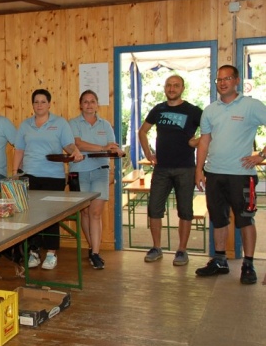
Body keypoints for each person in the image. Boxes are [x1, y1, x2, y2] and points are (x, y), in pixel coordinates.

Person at [195, 65, 266, 285]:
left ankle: (248, 264)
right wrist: (199, 170)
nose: (223, 83)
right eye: (219, 79)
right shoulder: (210, 110)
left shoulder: (251, 106)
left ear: (236, 81)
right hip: (214, 173)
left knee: (245, 219)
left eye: (227, 79)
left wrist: (261, 156)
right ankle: (220, 261)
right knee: (218, 218)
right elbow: (204, 141)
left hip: (241, 175)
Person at [13, 89, 83, 270]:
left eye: (43, 101)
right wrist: (15, 172)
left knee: (51, 215)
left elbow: (68, 145)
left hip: (54, 176)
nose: (39, 105)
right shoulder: (25, 125)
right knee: (32, 215)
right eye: (36, 102)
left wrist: (75, 151)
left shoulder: (60, 123)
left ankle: (51, 253)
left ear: (49, 104)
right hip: (30, 174)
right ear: (32, 105)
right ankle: (34, 251)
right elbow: (19, 149)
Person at [138, 75, 202, 266]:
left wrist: (195, 142)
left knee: (185, 211)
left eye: (176, 85)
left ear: (182, 88)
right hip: (162, 169)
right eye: (169, 85)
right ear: (165, 88)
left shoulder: (193, 110)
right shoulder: (158, 109)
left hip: (186, 168)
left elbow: (212, 131)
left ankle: (181, 250)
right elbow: (142, 131)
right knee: (154, 209)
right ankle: (156, 248)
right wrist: (148, 154)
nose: (172, 88)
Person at [69, 90, 124, 270]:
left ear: (97, 104)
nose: (89, 105)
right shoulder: (73, 123)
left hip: (101, 171)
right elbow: (78, 144)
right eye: (85, 102)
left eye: (92, 101)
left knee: (96, 213)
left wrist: (116, 150)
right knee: (85, 213)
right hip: (80, 172)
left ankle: (95, 252)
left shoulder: (105, 125)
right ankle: (92, 246)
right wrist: (103, 147)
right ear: (80, 105)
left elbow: (112, 147)